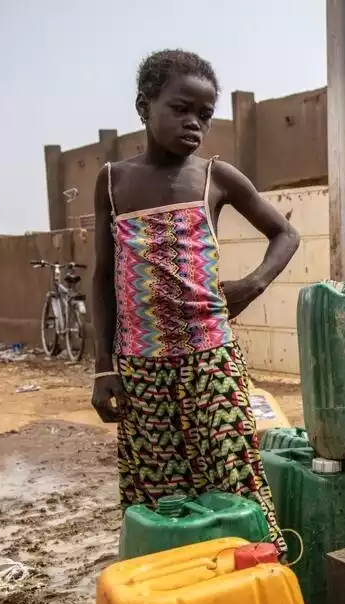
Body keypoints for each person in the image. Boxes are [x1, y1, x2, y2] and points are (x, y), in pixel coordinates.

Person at [90, 50, 300, 550]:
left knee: (235, 478)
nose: (194, 124)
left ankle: (259, 583)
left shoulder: (215, 177)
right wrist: (103, 367)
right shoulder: (114, 181)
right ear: (144, 107)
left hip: (212, 359)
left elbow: (285, 234)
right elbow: (103, 277)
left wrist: (253, 284)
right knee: (163, 497)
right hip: (141, 367)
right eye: (181, 109)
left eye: (204, 116)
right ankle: (182, 592)